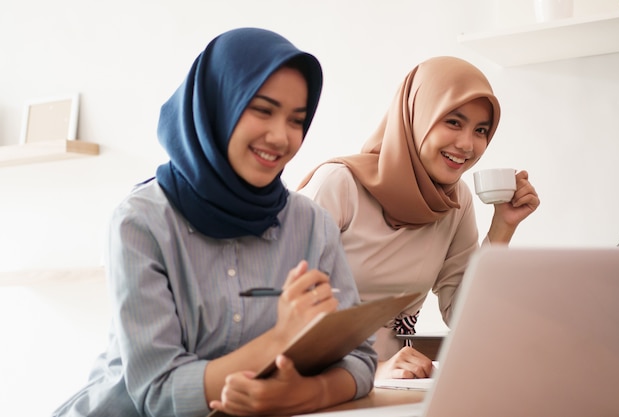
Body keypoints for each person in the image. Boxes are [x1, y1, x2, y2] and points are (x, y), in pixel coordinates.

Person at [52, 28, 376, 417]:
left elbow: (359, 357)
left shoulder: (312, 225)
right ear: (218, 104)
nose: (281, 136)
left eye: (297, 120)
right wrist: (282, 338)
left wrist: (300, 396)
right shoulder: (141, 222)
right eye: (262, 109)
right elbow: (159, 392)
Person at [298, 56, 540, 380]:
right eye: (453, 122)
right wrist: (375, 368)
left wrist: (503, 226)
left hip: (399, 384)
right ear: (416, 116)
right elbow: (279, 308)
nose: (468, 144)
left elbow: (463, 314)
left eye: (481, 130)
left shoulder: (456, 201)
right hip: (318, 380)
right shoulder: (339, 185)